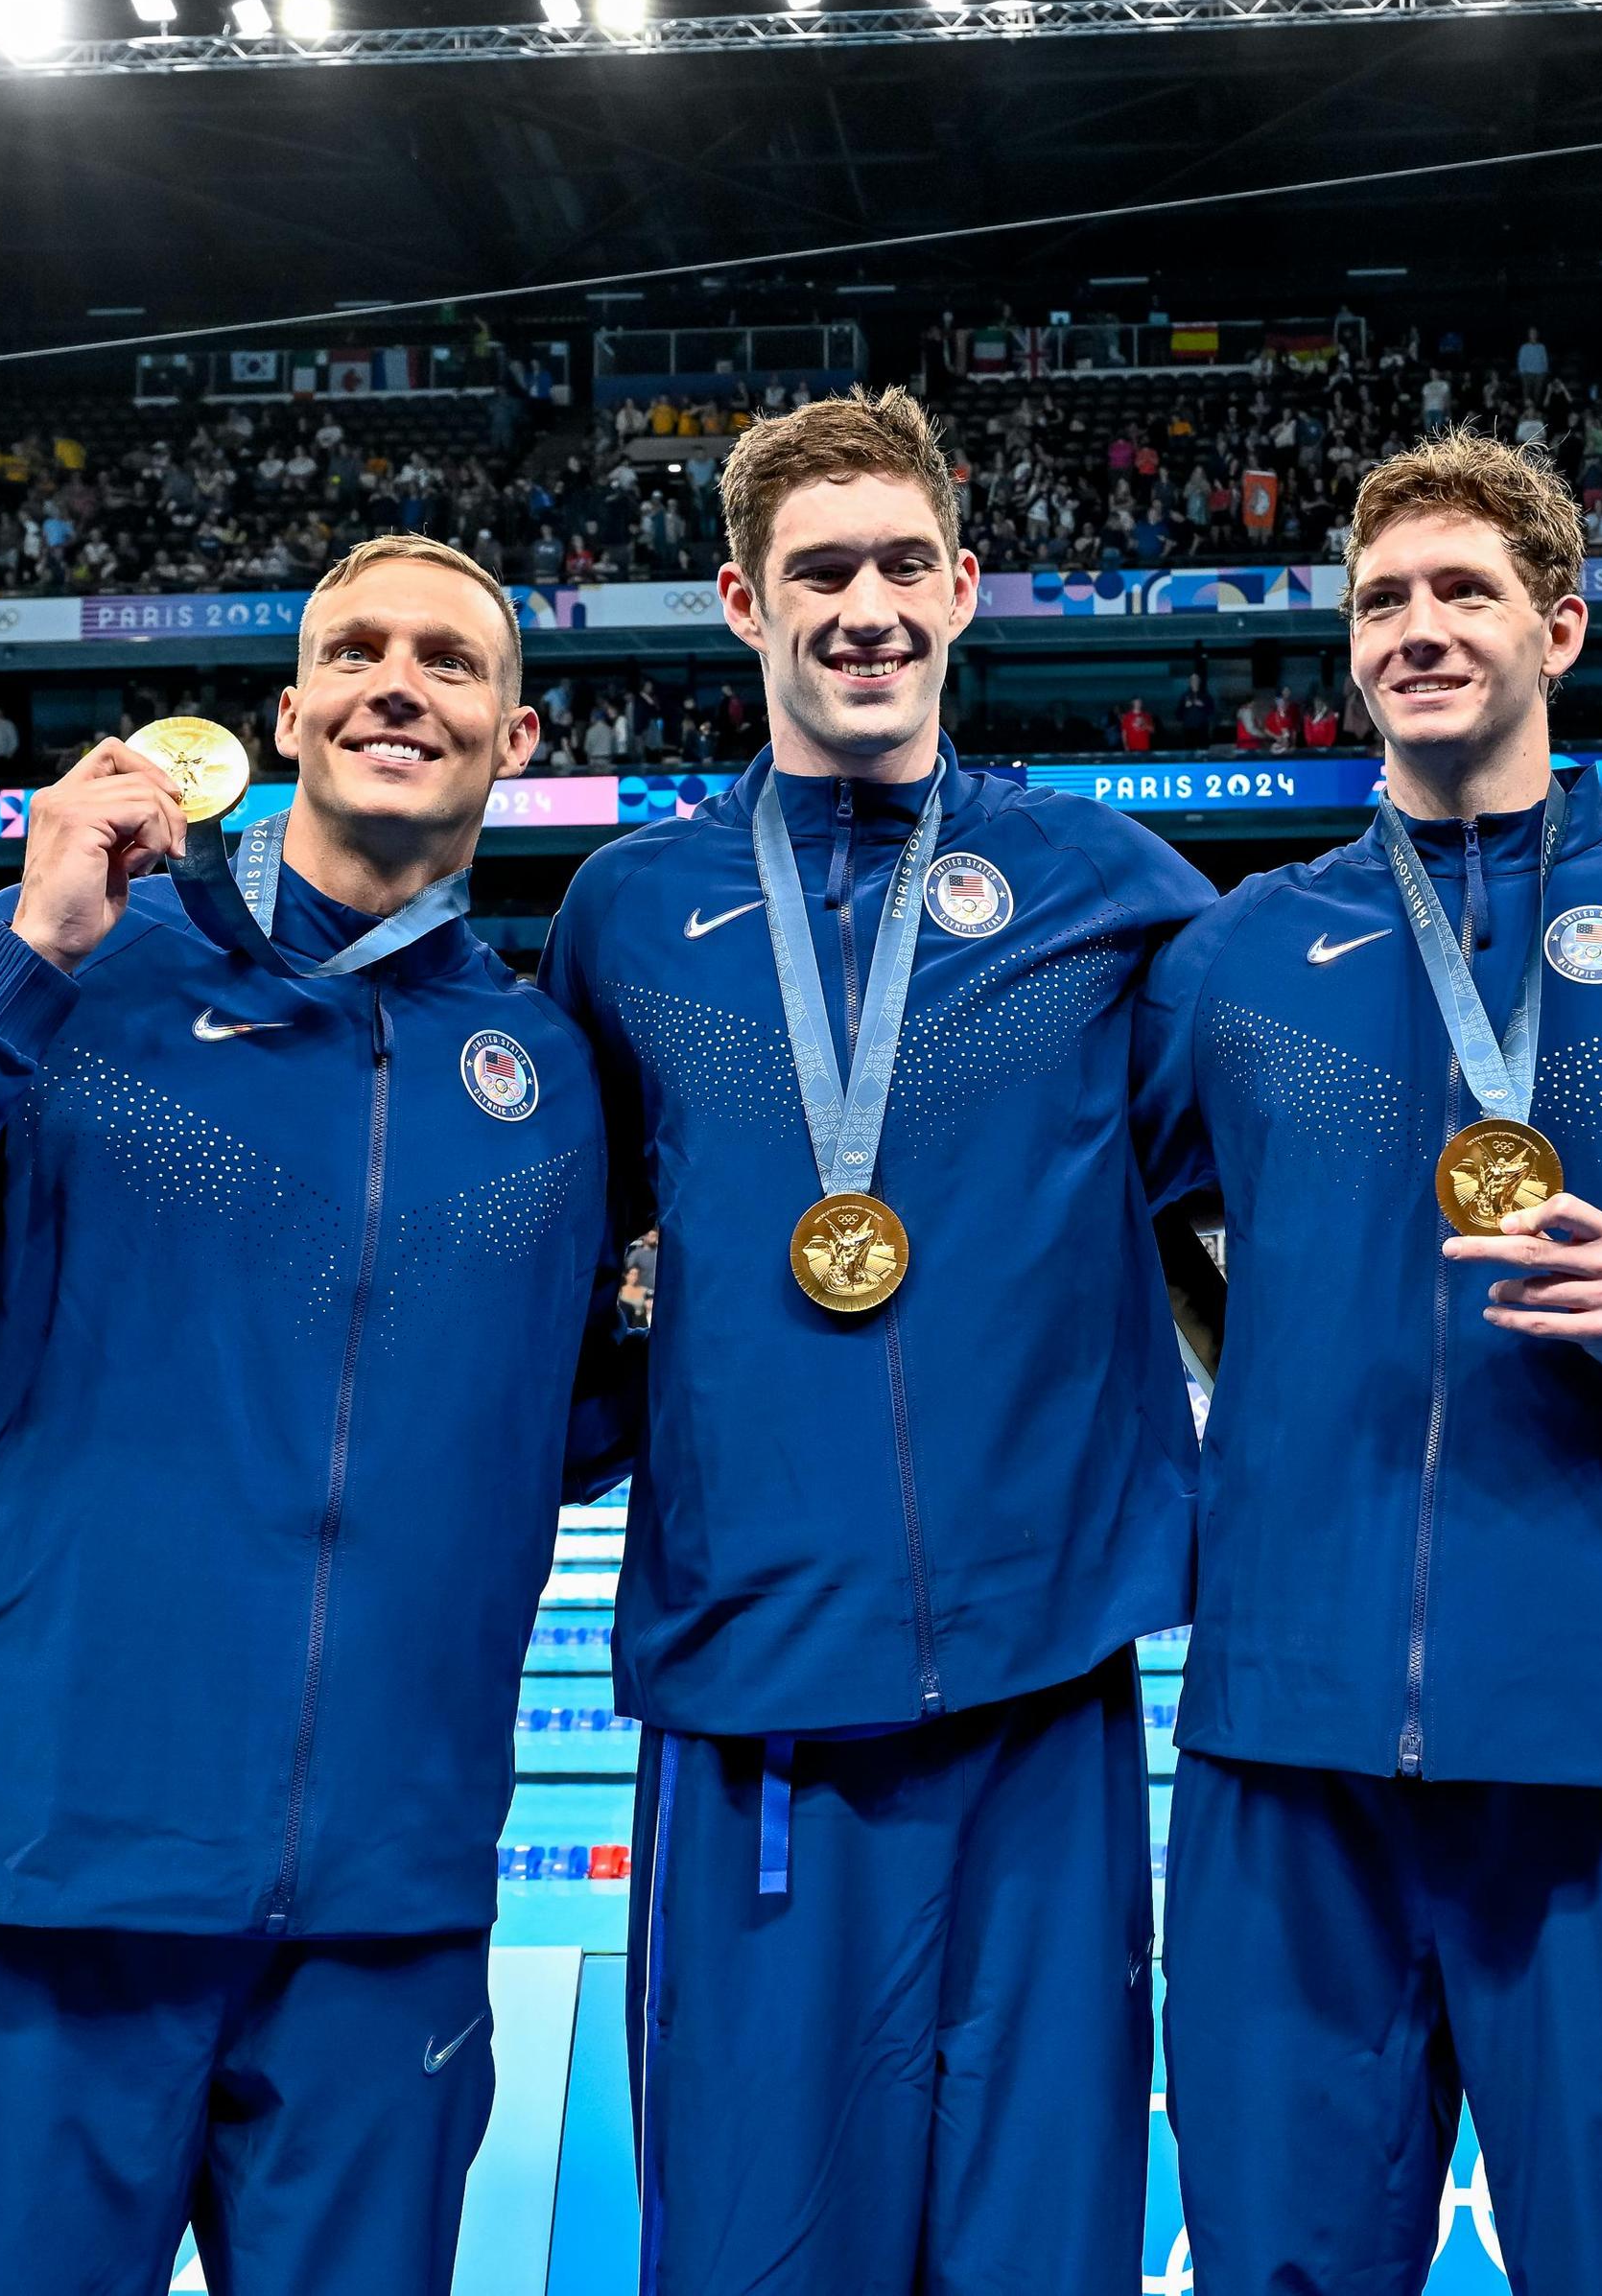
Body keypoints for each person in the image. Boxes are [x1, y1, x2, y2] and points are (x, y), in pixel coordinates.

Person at [0, 532, 623, 2293]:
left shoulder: (547, 1079)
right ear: (288, 715)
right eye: (356, 649)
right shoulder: (78, 957)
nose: (398, 681)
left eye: (451, 659)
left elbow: (554, 1425)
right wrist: (30, 949)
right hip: (53, 1879)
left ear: (517, 738)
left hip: (385, 1920)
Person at [1136, 434, 1602, 2289]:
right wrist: (1235, 1354)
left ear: (1564, 625)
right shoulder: (1238, 957)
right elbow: (1066, 1234)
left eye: (1464, 590)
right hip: (1287, 1751)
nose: (1418, 627)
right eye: (1381, 599)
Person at [538, 390, 1213, 2295]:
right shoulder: (630, 913)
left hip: (1043, 1698)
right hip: (755, 1718)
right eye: (819, 569)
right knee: (760, 2258)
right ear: (742, 601)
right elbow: (535, 1270)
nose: (865, 605)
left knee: (1043, 2249)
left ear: (966, 586)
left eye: (902, 562)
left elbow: (1284, 1147)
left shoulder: (1106, 885)